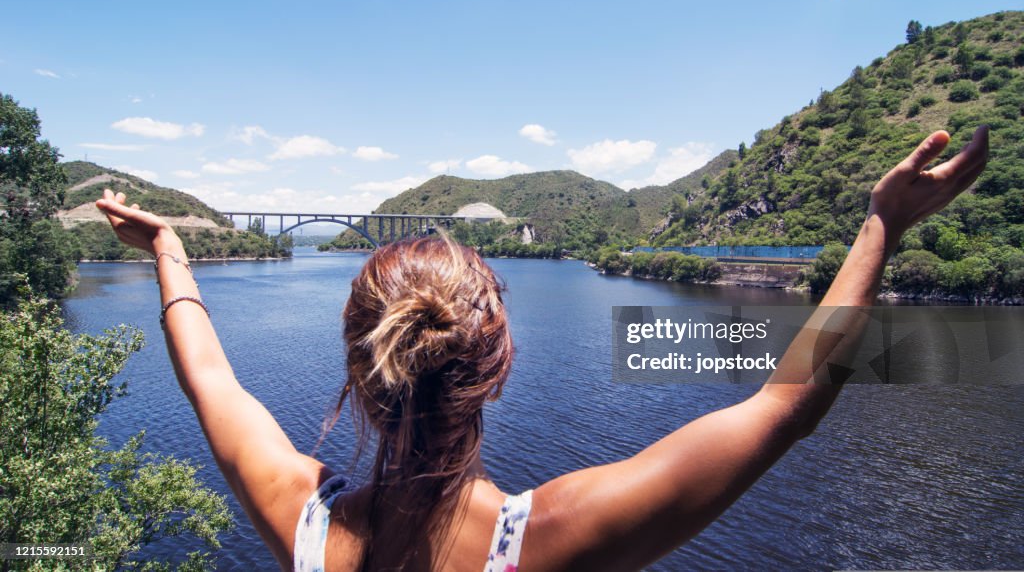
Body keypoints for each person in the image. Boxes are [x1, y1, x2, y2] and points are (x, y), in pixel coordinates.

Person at [96, 126, 988, 571]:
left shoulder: (306, 526)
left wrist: (172, 251)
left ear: (359, 370)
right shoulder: (548, 541)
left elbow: (208, 377)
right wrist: (881, 225)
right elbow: (789, 402)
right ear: (499, 365)